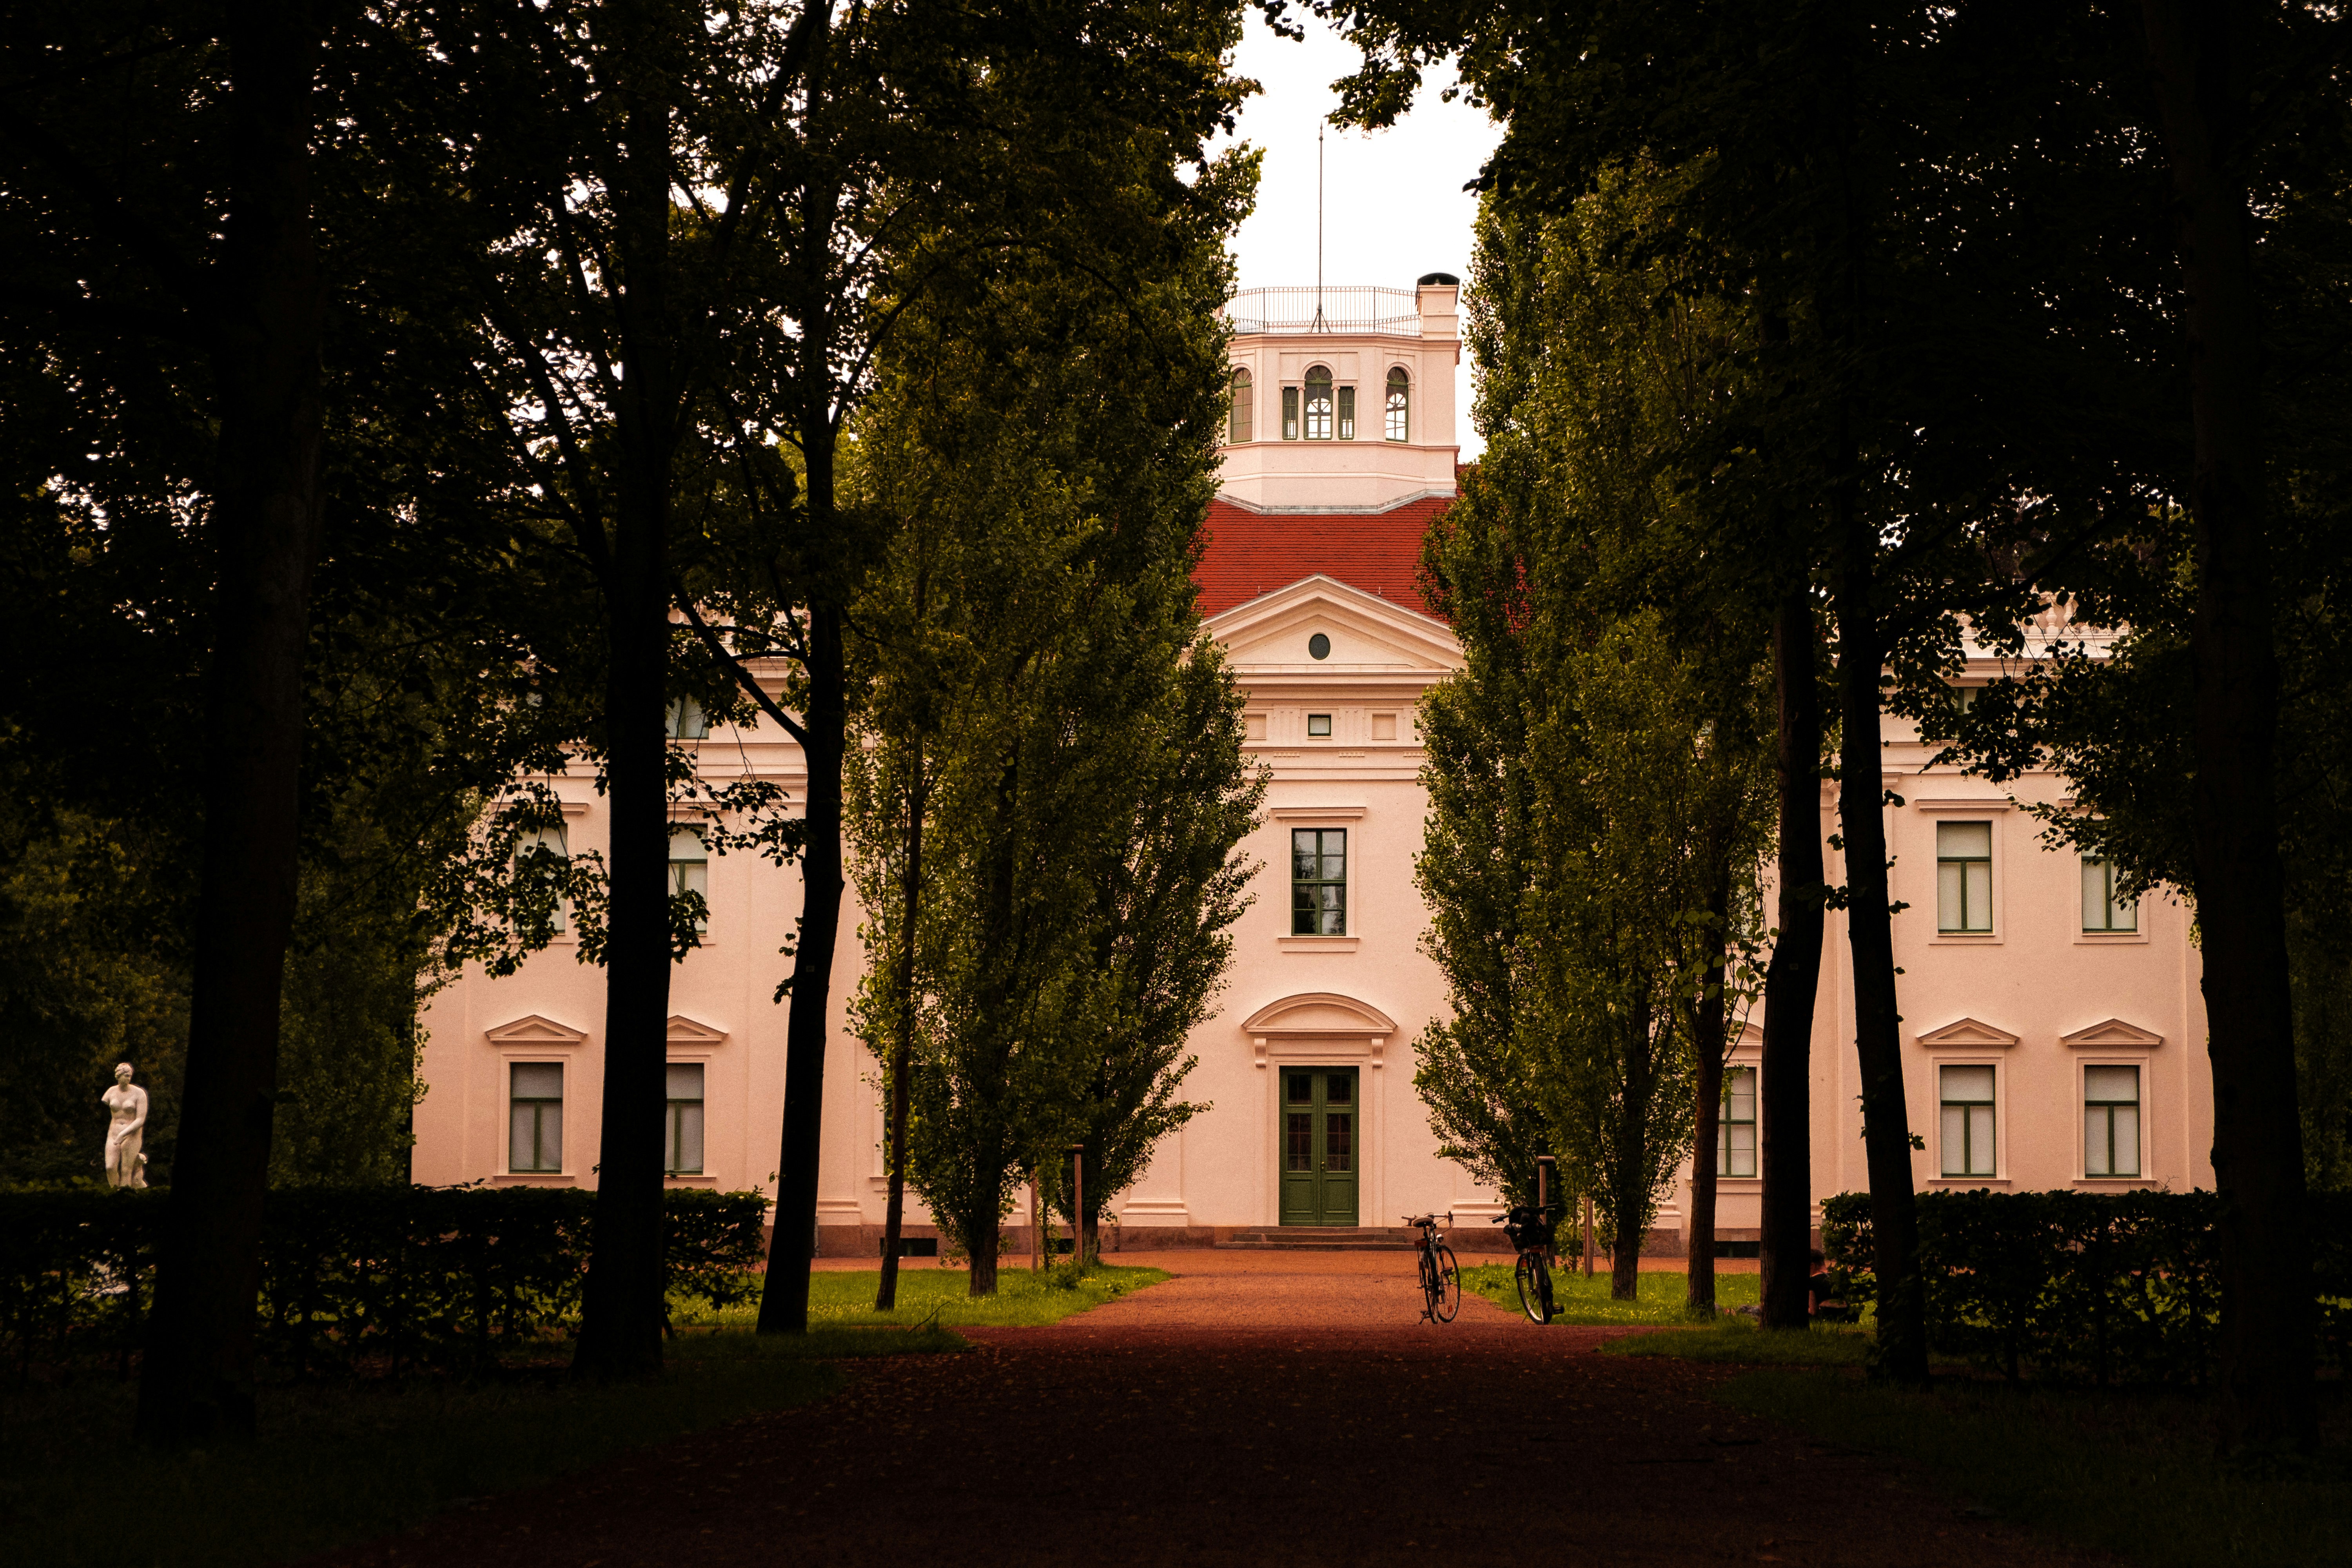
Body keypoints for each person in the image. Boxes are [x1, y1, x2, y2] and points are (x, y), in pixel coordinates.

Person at [101, 1063, 148, 1189]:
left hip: (132, 1134)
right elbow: (106, 1102)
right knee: (110, 1167)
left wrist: (123, 1134)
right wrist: (118, 1135)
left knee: (126, 1171)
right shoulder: (111, 1092)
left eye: (130, 1076)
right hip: (114, 1133)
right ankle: (115, 1194)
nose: (129, 1078)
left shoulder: (139, 1093)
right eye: (126, 1075)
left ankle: (126, 1198)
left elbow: (140, 1120)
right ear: (118, 1076)